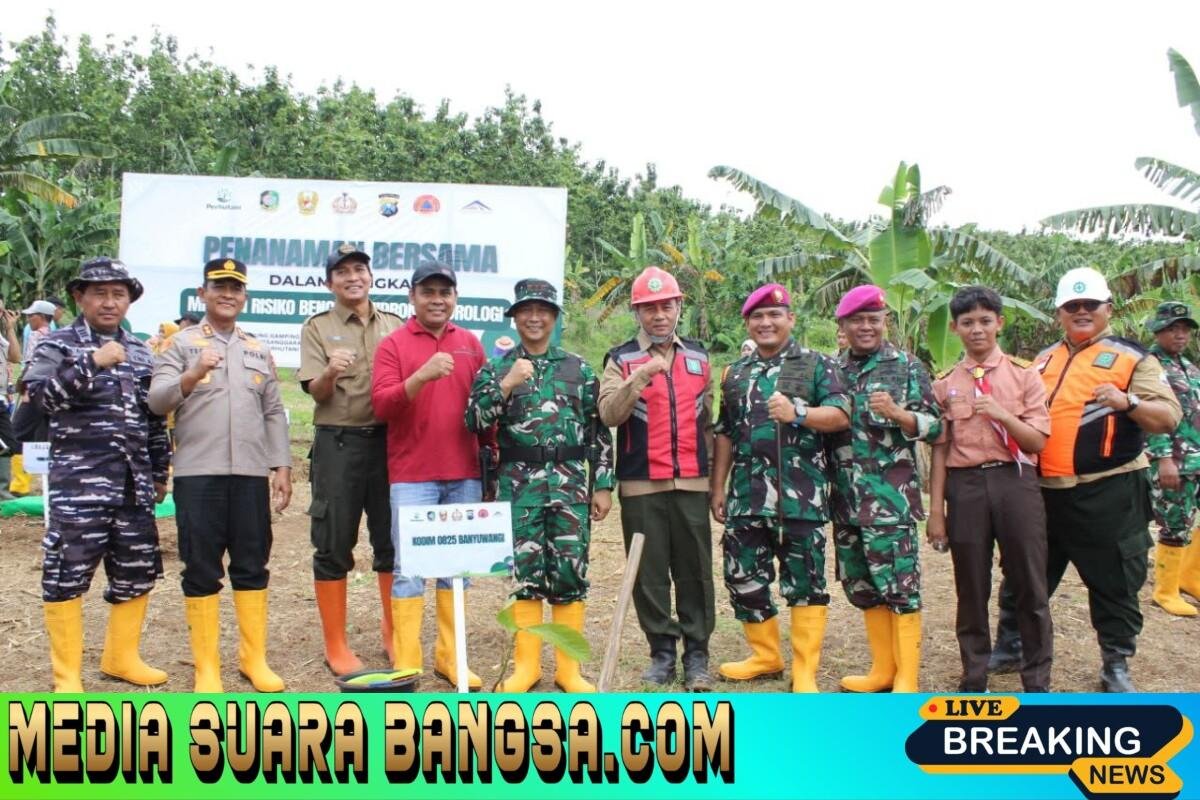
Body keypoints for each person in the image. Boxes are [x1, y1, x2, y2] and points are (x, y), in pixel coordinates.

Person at [993, 268, 1181, 692]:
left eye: (1089, 305)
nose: (1081, 312)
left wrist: (1128, 401)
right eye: (1071, 306)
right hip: (1043, 492)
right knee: (1025, 572)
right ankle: (1012, 644)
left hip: (1107, 490)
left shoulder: (1135, 358)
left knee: (1115, 578)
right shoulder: (1042, 359)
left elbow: (1169, 417)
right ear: (1060, 312)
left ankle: (1115, 664)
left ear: (1107, 309)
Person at [24, 257, 170, 692]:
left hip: (132, 485)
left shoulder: (143, 350)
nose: (110, 302)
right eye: (100, 293)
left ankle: (121, 658)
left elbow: (154, 420)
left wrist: (159, 472)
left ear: (129, 299)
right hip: (79, 486)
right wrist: (92, 362)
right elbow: (39, 402)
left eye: (118, 294)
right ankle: (66, 676)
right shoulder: (57, 345)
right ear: (79, 297)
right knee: (66, 574)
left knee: (137, 568)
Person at [149, 257, 293, 693]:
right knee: (201, 567)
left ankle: (254, 660)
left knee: (252, 564)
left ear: (244, 295)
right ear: (202, 293)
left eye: (236, 288)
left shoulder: (257, 348)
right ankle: (207, 668)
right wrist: (191, 375)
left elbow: (272, 411)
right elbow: (157, 402)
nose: (227, 294)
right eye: (219, 287)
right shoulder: (180, 345)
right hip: (198, 474)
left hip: (249, 474)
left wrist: (282, 466)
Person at [467, 278, 614, 692]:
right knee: (525, 575)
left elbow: (597, 431)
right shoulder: (496, 368)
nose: (534, 317)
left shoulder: (578, 368)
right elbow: (475, 422)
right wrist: (508, 383)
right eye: (526, 311)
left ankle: (569, 670)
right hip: (519, 487)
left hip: (570, 487)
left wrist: (602, 484)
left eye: (543, 311)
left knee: (570, 573)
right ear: (514, 318)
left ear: (554, 317)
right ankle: (526, 668)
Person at [710, 283, 851, 692]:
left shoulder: (816, 365)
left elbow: (842, 415)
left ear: (790, 319)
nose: (766, 322)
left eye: (775, 315)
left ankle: (804, 671)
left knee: (805, 582)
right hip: (746, 495)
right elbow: (724, 433)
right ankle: (765, 656)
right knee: (742, 576)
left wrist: (799, 412)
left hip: (800, 497)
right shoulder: (736, 373)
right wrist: (718, 487)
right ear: (748, 323)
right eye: (758, 316)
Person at [927, 286, 1053, 692]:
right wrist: (936, 511)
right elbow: (941, 450)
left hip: (1015, 481)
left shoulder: (1024, 374)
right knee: (971, 583)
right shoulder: (944, 384)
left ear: (1000, 322)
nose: (976, 330)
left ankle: (1036, 678)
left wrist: (1002, 414)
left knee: (1029, 581)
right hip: (965, 488)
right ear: (955, 327)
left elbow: (1036, 441)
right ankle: (974, 674)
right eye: (967, 323)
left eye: (985, 321)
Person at [598, 266, 716, 689]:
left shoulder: (701, 357)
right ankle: (662, 653)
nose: (659, 316)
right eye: (649, 309)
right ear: (637, 313)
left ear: (679, 306)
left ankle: (697, 655)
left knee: (696, 570)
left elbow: (709, 422)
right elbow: (609, 413)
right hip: (641, 484)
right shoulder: (622, 357)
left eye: (666, 305)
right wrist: (639, 377)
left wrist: (715, 483)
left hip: (692, 483)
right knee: (648, 573)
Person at [371, 261, 488, 689]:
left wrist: (489, 460)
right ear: (412, 297)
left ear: (455, 297)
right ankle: (407, 662)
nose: (437, 300)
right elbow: (382, 405)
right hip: (412, 477)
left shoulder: (471, 345)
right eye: (428, 292)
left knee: (457, 569)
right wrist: (420, 376)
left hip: (464, 474)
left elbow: (485, 411)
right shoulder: (393, 345)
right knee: (408, 569)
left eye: (445, 292)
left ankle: (450, 657)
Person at [830, 284, 942, 693]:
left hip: (890, 503)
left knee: (901, 588)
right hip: (844, 502)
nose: (865, 327)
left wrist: (898, 414)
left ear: (884, 322)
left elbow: (936, 426)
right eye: (856, 320)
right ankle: (882, 670)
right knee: (862, 586)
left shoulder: (907, 367)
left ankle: (907, 680)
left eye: (873, 320)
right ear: (842, 325)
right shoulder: (831, 369)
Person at [297, 244, 403, 674]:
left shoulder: (396, 325)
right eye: (342, 272)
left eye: (359, 269)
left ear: (370, 276)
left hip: (390, 445)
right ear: (330, 283)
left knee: (391, 542)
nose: (352, 277)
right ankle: (336, 644)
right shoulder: (317, 328)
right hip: (338, 445)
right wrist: (330, 373)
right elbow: (317, 394)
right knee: (334, 542)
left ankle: (393, 633)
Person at [1144, 301, 1200, 617]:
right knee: (1175, 522)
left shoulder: (1189, 367)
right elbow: (1151, 416)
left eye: (1185, 330)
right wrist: (1163, 458)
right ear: (1159, 330)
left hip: (1196, 458)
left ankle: (1190, 578)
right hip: (1173, 460)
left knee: (1194, 520)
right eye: (1173, 329)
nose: (1180, 336)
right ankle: (1165, 590)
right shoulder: (1152, 365)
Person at [0, 306, 21, 501]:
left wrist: (10, 328)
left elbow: (15, 357)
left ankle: (3, 492)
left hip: (1, 399)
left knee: (8, 445)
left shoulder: (1, 339)